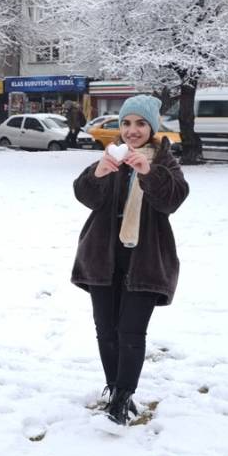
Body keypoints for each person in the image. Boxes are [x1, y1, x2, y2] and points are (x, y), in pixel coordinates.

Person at [70, 94, 188, 425]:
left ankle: (124, 397)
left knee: (131, 331)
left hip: (146, 259)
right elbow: (85, 195)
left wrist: (148, 172)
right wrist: (98, 174)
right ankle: (113, 387)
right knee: (106, 329)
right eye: (125, 123)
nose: (131, 130)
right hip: (102, 256)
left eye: (139, 123)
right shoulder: (111, 157)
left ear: (152, 126)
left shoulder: (164, 161)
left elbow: (173, 200)